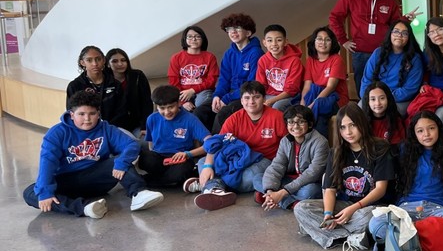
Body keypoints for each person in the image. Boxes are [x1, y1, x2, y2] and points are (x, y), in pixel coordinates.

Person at [23, 91, 164, 219]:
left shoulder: (106, 129)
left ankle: (138, 193)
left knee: (118, 161)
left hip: (96, 179)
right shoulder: (57, 133)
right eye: (81, 114)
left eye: (92, 114)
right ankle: (85, 208)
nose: (87, 119)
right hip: (67, 182)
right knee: (32, 193)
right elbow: (47, 162)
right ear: (72, 115)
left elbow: (131, 145)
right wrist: (46, 192)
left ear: (98, 113)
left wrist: (121, 162)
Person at [294, 104, 394, 248]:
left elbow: (380, 189)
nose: (348, 132)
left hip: (371, 207)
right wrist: (328, 215)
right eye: (343, 127)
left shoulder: (381, 148)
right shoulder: (336, 152)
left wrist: (352, 210)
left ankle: (320, 232)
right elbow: (330, 188)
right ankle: (346, 237)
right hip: (346, 205)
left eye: (352, 125)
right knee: (301, 208)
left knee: (368, 219)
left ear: (362, 124)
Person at [186, 81, 288, 210]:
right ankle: (214, 188)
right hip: (236, 158)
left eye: (256, 97)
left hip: (264, 160)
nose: (251, 102)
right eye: (247, 98)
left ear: (264, 99)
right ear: (241, 100)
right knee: (202, 162)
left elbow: (288, 145)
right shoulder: (234, 118)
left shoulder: (276, 117)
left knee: (251, 177)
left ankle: (211, 186)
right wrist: (207, 166)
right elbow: (217, 143)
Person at [367, 111, 443, 246]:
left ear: (439, 129)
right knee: (375, 223)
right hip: (407, 209)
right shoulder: (405, 149)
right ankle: (424, 237)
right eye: (420, 131)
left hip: (438, 210)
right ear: (414, 133)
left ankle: (408, 239)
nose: (426, 134)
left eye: (431, 128)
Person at [328, 0, 419, 90]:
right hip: (360, 52)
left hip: (384, 51)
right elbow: (335, 17)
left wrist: (405, 19)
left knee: (383, 87)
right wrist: (343, 40)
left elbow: (395, 25)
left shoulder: (389, 0)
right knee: (363, 88)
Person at [253, 105, 328, 210]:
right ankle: (287, 202)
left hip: (309, 182)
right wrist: (270, 191)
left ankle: (274, 198)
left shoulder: (320, 142)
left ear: (310, 124)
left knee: (310, 191)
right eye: (291, 122)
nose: (296, 126)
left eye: (301, 122)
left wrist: (283, 192)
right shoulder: (285, 141)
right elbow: (277, 165)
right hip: (289, 180)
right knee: (258, 178)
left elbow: (313, 173)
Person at [138, 85, 210, 188]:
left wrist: (188, 154)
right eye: (162, 108)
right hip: (160, 157)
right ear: (156, 106)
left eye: (171, 107)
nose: (167, 112)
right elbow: (151, 144)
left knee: (182, 170)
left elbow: (210, 142)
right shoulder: (151, 119)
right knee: (146, 159)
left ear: (179, 103)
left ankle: (150, 181)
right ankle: (170, 181)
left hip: (181, 158)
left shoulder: (190, 119)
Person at [205, 13, 264, 133]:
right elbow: (224, 79)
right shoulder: (229, 53)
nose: (233, 32)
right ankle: (201, 147)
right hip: (229, 94)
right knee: (202, 111)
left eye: (237, 28)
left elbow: (252, 84)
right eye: (229, 29)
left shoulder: (256, 53)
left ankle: (215, 149)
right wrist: (217, 96)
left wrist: (226, 99)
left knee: (223, 113)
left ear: (248, 33)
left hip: (246, 95)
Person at [360, 20, 424, 115]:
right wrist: (373, 98)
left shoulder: (415, 59)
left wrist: (385, 97)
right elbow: (366, 81)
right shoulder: (378, 53)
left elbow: (410, 89)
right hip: (373, 97)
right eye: (396, 31)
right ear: (390, 34)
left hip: (399, 101)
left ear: (409, 38)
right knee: (357, 115)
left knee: (387, 117)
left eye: (404, 33)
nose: (399, 35)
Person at [65, 45, 128, 129]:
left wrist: (107, 128)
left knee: (134, 142)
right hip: (86, 130)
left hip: (113, 129)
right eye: (89, 60)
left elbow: (122, 112)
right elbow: (72, 112)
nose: (95, 64)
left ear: (104, 60)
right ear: (82, 62)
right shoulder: (75, 86)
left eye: (98, 59)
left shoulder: (115, 84)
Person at [302, 26, 348, 139]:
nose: (323, 42)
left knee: (319, 106)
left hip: (336, 99)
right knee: (319, 114)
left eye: (327, 39)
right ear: (314, 42)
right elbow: (307, 86)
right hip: (316, 97)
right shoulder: (310, 60)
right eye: (319, 39)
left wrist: (312, 106)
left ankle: (309, 139)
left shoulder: (336, 59)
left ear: (332, 43)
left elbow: (331, 87)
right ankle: (318, 148)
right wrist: (302, 106)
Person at [168, 25, 219, 113]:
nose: (194, 39)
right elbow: (173, 81)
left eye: (198, 36)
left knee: (201, 107)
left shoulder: (210, 57)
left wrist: (193, 90)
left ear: (203, 39)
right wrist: (182, 102)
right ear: (185, 39)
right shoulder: (176, 58)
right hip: (182, 93)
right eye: (190, 36)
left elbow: (212, 80)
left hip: (203, 91)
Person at [255, 24, 304, 112]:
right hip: (269, 95)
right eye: (270, 40)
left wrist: (270, 101)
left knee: (277, 107)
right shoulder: (262, 60)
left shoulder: (294, 61)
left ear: (286, 42)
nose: (274, 44)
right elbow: (260, 85)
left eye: (279, 40)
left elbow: (291, 90)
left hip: (289, 96)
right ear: (264, 42)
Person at [106, 48, 153, 137]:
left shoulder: (138, 76)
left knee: (146, 144)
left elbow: (147, 102)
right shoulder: (105, 82)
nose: (120, 64)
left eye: (123, 60)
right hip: (116, 127)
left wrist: (145, 126)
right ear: (108, 64)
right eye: (115, 61)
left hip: (138, 124)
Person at [362, 81, 406, 146]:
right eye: (373, 99)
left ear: (388, 99)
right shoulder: (362, 122)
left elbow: (400, 146)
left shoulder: (396, 121)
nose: (377, 103)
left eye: (382, 98)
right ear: (367, 101)